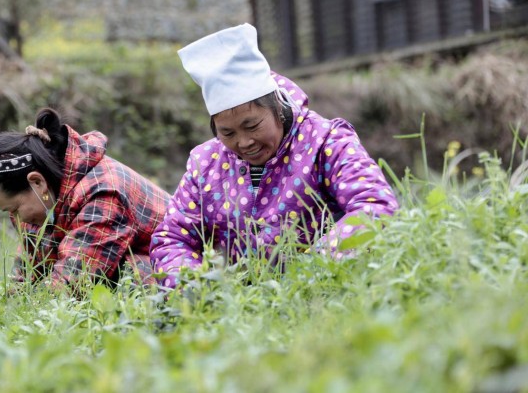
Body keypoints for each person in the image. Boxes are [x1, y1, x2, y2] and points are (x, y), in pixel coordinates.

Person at [149, 23, 399, 289]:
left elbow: (374, 206)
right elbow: (172, 238)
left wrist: (311, 273)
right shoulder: (205, 164)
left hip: (326, 295)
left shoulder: (326, 141)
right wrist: (201, 291)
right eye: (227, 132)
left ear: (278, 108)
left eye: (252, 126)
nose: (244, 142)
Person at [0, 107, 170, 292]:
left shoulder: (103, 193)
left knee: (127, 276)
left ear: (37, 182)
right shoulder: (45, 200)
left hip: (184, 268)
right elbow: (28, 274)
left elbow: (71, 284)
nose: (16, 218)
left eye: (15, 209)